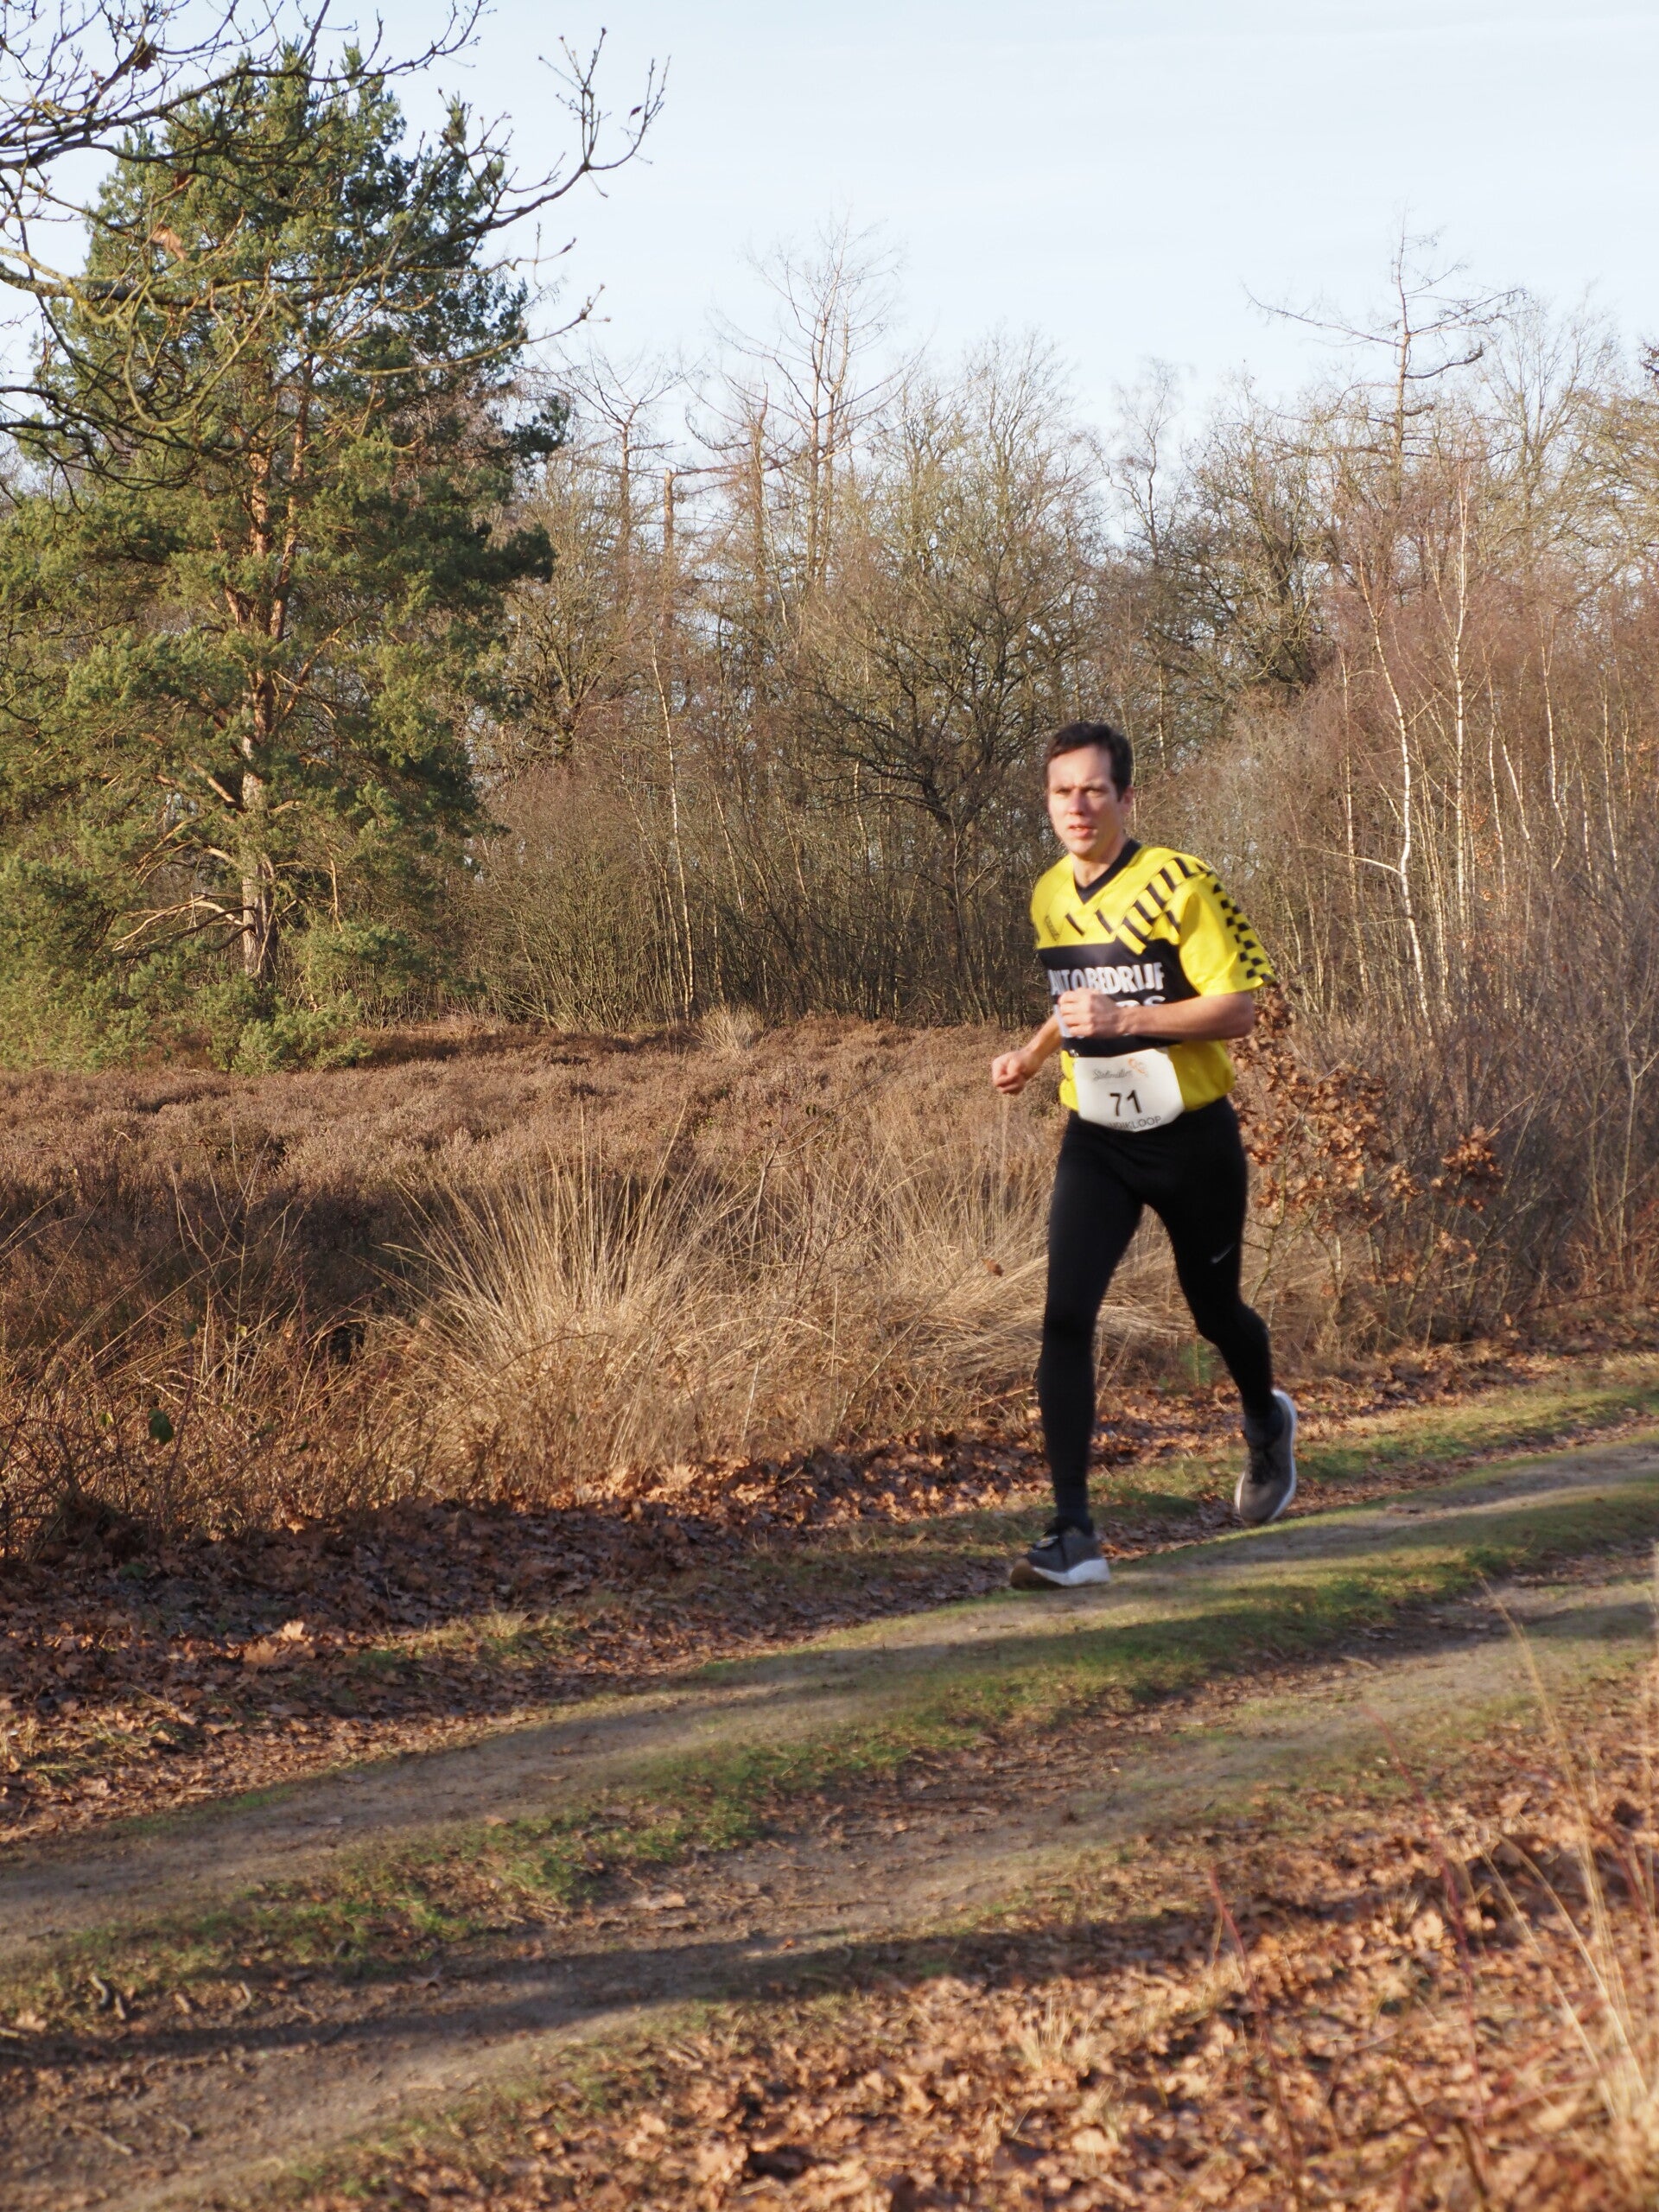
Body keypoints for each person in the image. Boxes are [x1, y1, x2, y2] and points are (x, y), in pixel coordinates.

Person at [991, 720, 1296, 1589]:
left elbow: (1238, 1009)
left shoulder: (1180, 883)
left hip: (1191, 1137)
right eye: (1062, 791)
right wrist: (1033, 1054)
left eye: (1095, 789)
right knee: (1064, 1316)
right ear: (1047, 802)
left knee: (1216, 1313)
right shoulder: (1048, 895)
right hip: (1097, 1138)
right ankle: (1073, 1535)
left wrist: (1128, 1020)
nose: (1078, 806)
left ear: (1127, 797)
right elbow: (1079, 997)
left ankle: (1266, 1420)